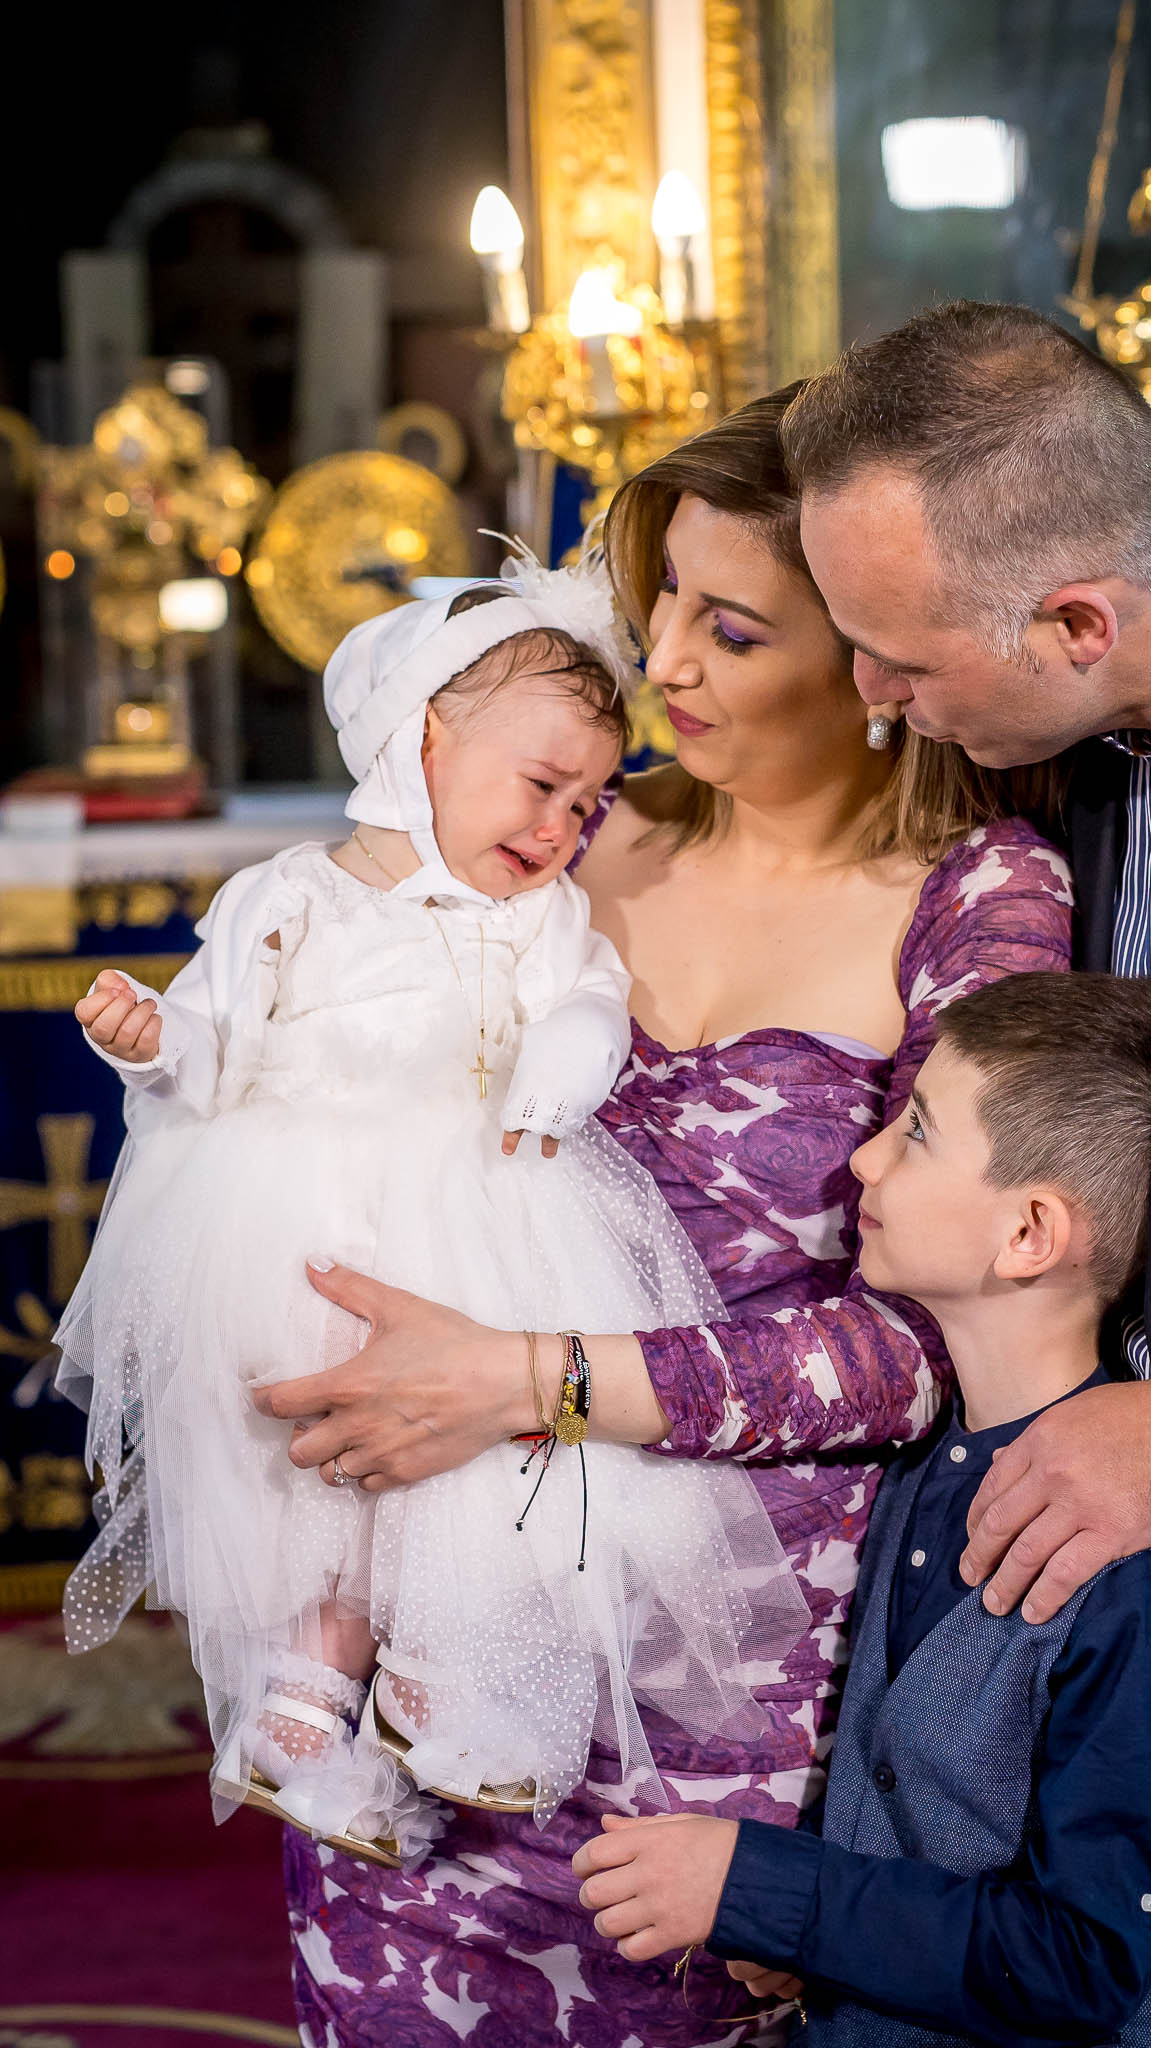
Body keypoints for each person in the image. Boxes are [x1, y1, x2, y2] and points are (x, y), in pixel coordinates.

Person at [254, 389, 1074, 2046]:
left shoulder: (980, 898)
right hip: (442, 1634)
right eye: (667, 605)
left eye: (733, 628)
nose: (666, 663)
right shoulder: (563, 833)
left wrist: (524, 1377)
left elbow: (943, 1338)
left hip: (742, 1700)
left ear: (875, 658)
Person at [779, 298, 1151, 2040]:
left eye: (897, 656)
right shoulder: (1059, 753)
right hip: (1140, 1669)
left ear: (1076, 617)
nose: (872, 701)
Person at [57, 547, 806, 1865]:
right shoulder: (289, 895)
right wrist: (153, 1039)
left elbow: (585, 1001)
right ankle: (299, 1715)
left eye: (587, 802)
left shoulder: (542, 917)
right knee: (328, 1492)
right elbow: (214, 1053)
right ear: (424, 739)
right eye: (541, 784)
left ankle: (435, 1683)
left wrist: (569, 1059)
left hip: (489, 1213)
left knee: (489, 1464)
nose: (562, 827)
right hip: (303, 1227)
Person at [574, 972, 1151, 2047]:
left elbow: (1080, 1964)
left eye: (916, 1131)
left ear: (1029, 1232)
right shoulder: (922, 1463)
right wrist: (826, 1940)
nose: (864, 1158)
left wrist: (769, 1890)